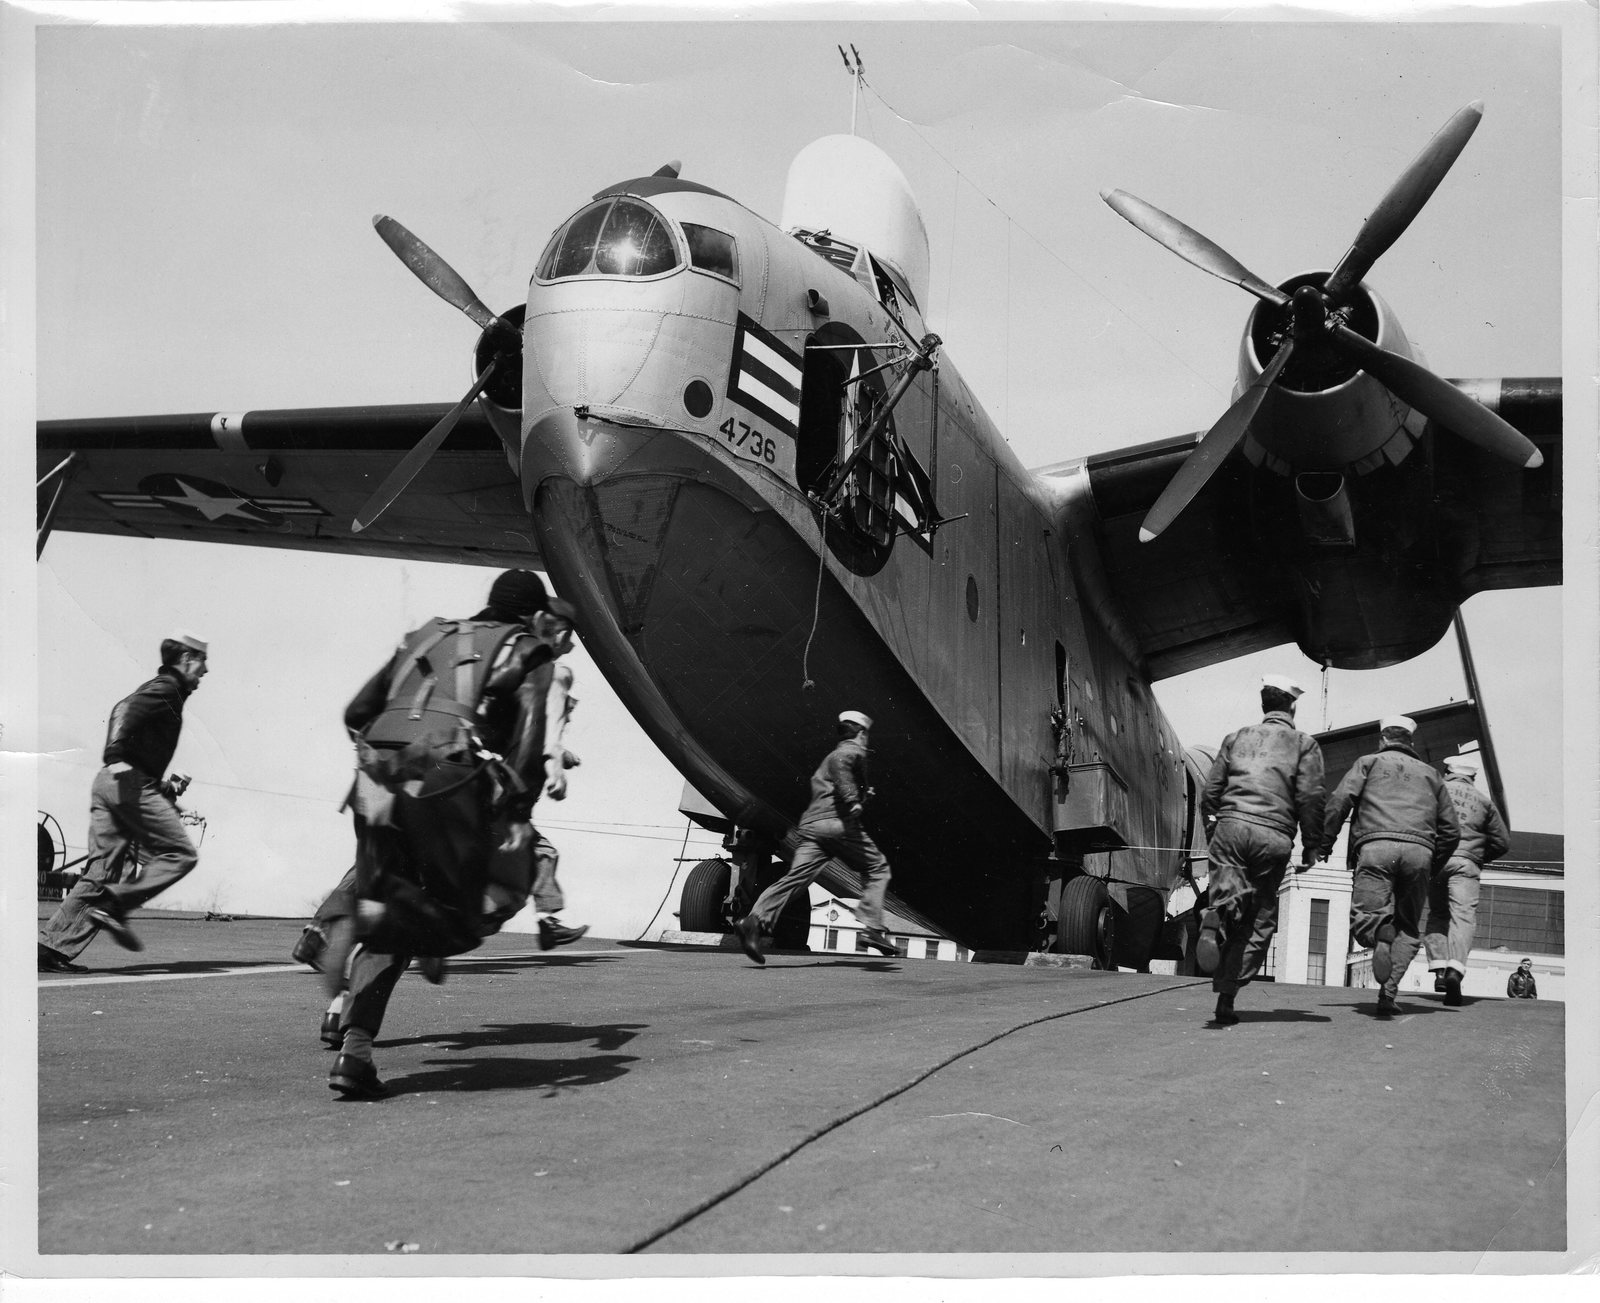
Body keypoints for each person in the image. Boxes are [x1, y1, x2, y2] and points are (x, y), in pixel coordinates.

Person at [319, 570, 576, 1097]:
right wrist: (513, 815)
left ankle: (356, 1053)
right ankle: (388, 924)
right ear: (531, 615)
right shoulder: (530, 652)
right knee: (477, 907)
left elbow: (356, 712)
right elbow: (528, 747)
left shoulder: (429, 634)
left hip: (373, 773)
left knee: (393, 889)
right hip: (443, 777)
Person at [38, 632, 210, 970]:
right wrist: (116, 753)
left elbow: (139, 752)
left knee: (102, 870)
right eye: (202, 663)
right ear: (187, 659)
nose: (205, 672)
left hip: (110, 782)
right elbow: (124, 708)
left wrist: (166, 794)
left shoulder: (169, 691)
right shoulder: (167, 688)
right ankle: (117, 904)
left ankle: (49, 949)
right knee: (181, 854)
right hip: (125, 780)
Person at [1194, 674, 1326, 1025]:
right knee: (1260, 918)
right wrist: (1313, 846)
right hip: (1274, 837)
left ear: (1263, 705)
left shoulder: (1235, 738)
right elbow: (1311, 798)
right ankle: (1227, 997)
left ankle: (1218, 914)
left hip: (1231, 827)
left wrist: (1215, 829)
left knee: (1228, 893)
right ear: (1292, 706)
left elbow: (1210, 794)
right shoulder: (1304, 744)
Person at [734, 710, 898, 965]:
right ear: (862, 733)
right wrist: (854, 800)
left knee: (795, 879)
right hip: (837, 824)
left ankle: (754, 921)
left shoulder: (830, 758)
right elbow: (842, 768)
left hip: (812, 828)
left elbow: (833, 781)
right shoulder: (850, 750)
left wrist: (863, 795)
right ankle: (872, 928)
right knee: (878, 867)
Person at [1323, 715, 1460, 1017]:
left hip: (1376, 848)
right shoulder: (1432, 775)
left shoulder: (1368, 762)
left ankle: (1379, 933)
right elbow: (1452, 831)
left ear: (1383, 739)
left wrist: (1325, 841)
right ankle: (1388, 994)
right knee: (1408, 928)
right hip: (1420, 854)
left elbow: (1340, 800)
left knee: (1367, 921)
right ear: (1410, 742)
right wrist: (1431, 864)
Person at [1424, 753, 1510, 1006]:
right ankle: (1455, 969)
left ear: (1447, 771)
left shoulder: (1434, 792)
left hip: (1436, 862)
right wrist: (1478, 856)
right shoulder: (1484, 802)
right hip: (1466, 864)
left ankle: (1439, 970)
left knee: (1438, 914)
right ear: (1473, 777)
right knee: (1463, 917)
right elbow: (1502, 842)